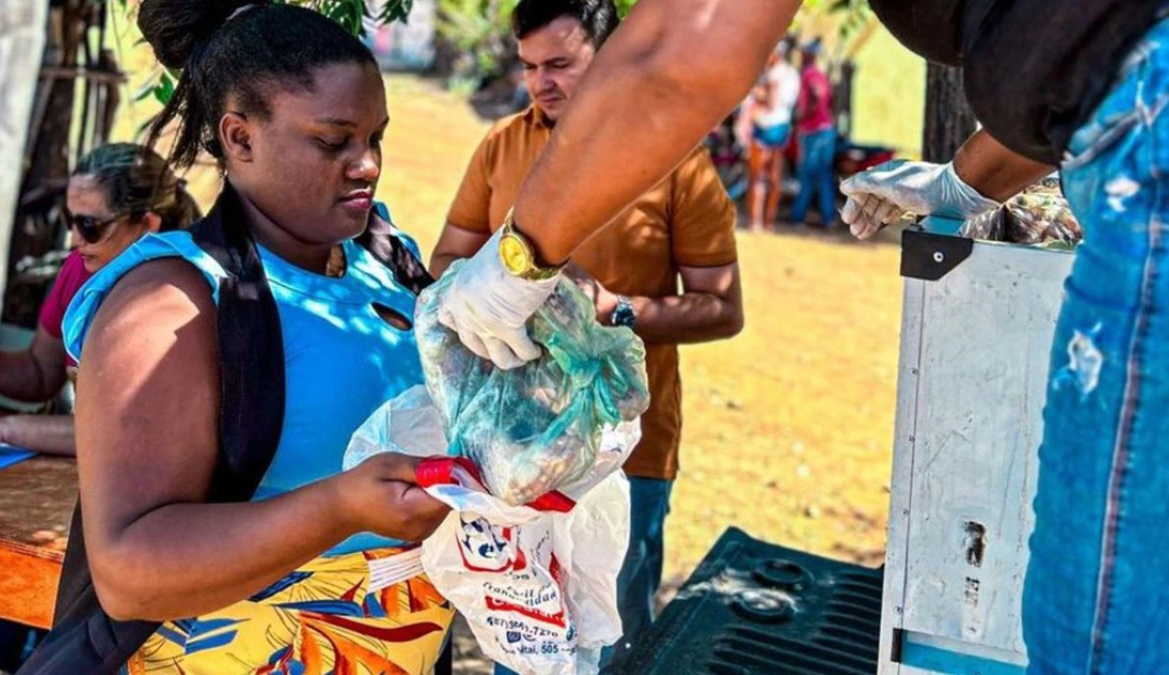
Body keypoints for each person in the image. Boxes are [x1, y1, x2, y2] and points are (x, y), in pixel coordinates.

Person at [434, 0, 1169, 671]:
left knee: (1093, 634)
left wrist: (520, 255)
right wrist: (966, 181)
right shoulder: (501, 144)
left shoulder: (681, 175)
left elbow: (677, 49)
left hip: (1148, 139)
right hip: (1125, 109)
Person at [20, 2, 454, 673]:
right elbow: (130, 570)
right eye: (334, 141)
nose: (367, 164)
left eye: (376, 138)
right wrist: (339, 507)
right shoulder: (171, 304)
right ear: (240, 137)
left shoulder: (380, 256)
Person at [430, 0, 742, 667]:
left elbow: (722, 307)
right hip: (512, 452)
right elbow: (445, 264)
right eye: (530, 67)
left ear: (611, 54)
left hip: (626, 454)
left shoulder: (677, 159)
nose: (542, 82)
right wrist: (499, 279)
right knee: (522, 634)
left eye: (561, 64)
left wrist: (612, 309)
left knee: (615, 638)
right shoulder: (502, 145)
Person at [0, 143, 200, 457]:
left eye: (89, 226)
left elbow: (123, 429)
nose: (74, 239)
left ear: (147, 225)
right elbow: (41, 373)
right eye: (70, 219)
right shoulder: (80, 268)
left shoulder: (174, 298)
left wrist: (0, 430)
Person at [736, 43, 799, 231]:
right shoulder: (792, 74)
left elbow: (771, 102)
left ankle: (755, 222)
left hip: (764, 126)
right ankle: (769, 222)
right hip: (782, 127)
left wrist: (756, 93)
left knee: (756, 177)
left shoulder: (773, 75)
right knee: (774, 176)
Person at [790, 39, 836, 228]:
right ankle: (828, 217)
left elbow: (816, 96)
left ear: (810, 55)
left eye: (804, 52)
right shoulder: (821, 75)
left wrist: (802, 116)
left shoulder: (809, 74)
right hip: (826, 129)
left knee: (807, 174)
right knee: (823, 175)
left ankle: (798, 216)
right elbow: (829, 99)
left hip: (814, 130)